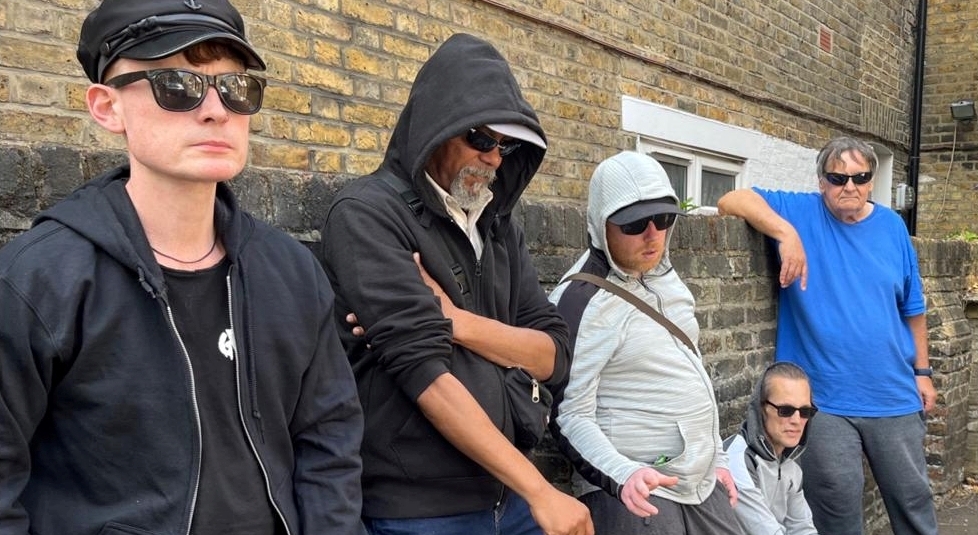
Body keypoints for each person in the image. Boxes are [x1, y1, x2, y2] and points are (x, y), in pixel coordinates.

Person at [0, 1, 366, 533]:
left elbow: (329, 441)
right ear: (107, 107)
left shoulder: (292, 273)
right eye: (179, 85)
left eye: (236, 89)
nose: (216, 110)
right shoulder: (40, 280)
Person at [317, 33, 593, 535]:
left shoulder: (499, 226)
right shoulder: (366, 215)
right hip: (420, 507)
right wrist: (539, 490)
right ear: (435, 128)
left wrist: (458, 323)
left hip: (506, 495)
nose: (493, 158)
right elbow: (424, 372)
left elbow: (556, 354)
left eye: (506, 146)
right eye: (481, 139)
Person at [716, 136, 938, 535]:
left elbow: (913, 308)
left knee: (912, 501)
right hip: (824, 400)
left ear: (871, 182)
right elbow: (733, 200)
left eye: (859, 177)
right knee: (833, 508)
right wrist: (786, 233)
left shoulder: (892, 227)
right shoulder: (801, 211)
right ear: (822, 182)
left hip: (893, 393)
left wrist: (922, 371)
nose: (848, 186)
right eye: (837, 178)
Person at [549, 150, 742, 535]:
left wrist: (716, 458)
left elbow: (693, 371)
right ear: (602, 224)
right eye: (635, 223)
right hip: (633, 486)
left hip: (698, 480)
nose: (653, 234)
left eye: (663, 218)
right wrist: (624, 475)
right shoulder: (580, 301)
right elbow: (569, 414)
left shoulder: (667, 279)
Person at [723, 362, 819, 535]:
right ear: (761, 408)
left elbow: (802, 527)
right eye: (785, 410)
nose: (797, 420)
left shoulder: (791, 462)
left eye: (805, 411)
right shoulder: (737, 458)